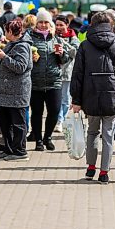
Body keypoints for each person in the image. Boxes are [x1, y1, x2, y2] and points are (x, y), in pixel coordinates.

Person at [71, 11, 115, 184]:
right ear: (110, 25)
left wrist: (76, 100)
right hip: (112, 95)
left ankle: (90, 167)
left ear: (92, 24)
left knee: (91, 132)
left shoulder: (84, 46)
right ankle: (104, 172)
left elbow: (77, 74)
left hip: (89, 95)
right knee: (108, 135)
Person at [28, 10, 69, 151]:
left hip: (54, 81)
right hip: (35, 82)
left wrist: (62, 54)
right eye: (40, 22)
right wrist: (30, 58)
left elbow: (65, 59)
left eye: (46, 22)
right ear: (36, 23)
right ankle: (38, 140)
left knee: (54, 111)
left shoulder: (56, 38)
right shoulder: (30, 38)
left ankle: (48, 137)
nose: (43, 25)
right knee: (37, 112)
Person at [0, 18, 33, 161]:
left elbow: (20, 67)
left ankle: (20, 151)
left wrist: (3, 57)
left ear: (11, 32)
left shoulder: (23, 46)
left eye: (6, 31)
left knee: (18, 123)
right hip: (5, 92)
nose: (4, 33)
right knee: (5, 123)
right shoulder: (11, 44)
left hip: (17, 92)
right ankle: (8, 149)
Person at [54, 14, 80, 132]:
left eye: (61, 25)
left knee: (65, 99)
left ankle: (61, 120)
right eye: (57, 25)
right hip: (55, 72)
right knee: (57, 99)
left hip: (67, 73)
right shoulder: (53, 36)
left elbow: (75, 53)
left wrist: (62, 43)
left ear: (67, 25)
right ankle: (58, 119)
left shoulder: (73, 37)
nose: (58, 27)